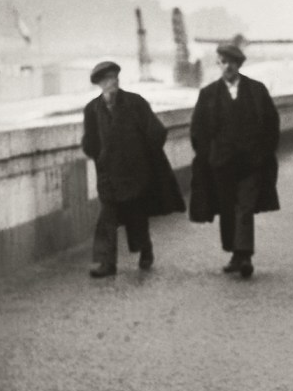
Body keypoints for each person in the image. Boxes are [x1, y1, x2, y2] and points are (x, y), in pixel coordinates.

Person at [81, 61, 185, 278]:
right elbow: (89, 141)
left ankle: (145, 249)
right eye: (108, 80)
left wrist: (144, 157)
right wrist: (97, 155)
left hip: (134, 173)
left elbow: (157, 132)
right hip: (108, 174)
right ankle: (105, 263)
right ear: (99, 84)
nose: (113, 83)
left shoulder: (135, 103)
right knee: (107, 218)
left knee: (136, 214)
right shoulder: (92, 109)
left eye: (115, 78)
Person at [188, 44, 280, 278]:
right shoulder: (208, 94)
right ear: (218, 64)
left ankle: (245, 256)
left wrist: (263, 153)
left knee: (245, 207)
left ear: (239, 65)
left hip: (251, 163)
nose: (227, 66)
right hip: (221, 164)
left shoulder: (257, 91)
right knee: (228, 209)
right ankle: (235, 253)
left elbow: (271, 124)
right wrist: (208, 156)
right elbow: (198, 130)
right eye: (223, 62)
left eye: (232, 62)